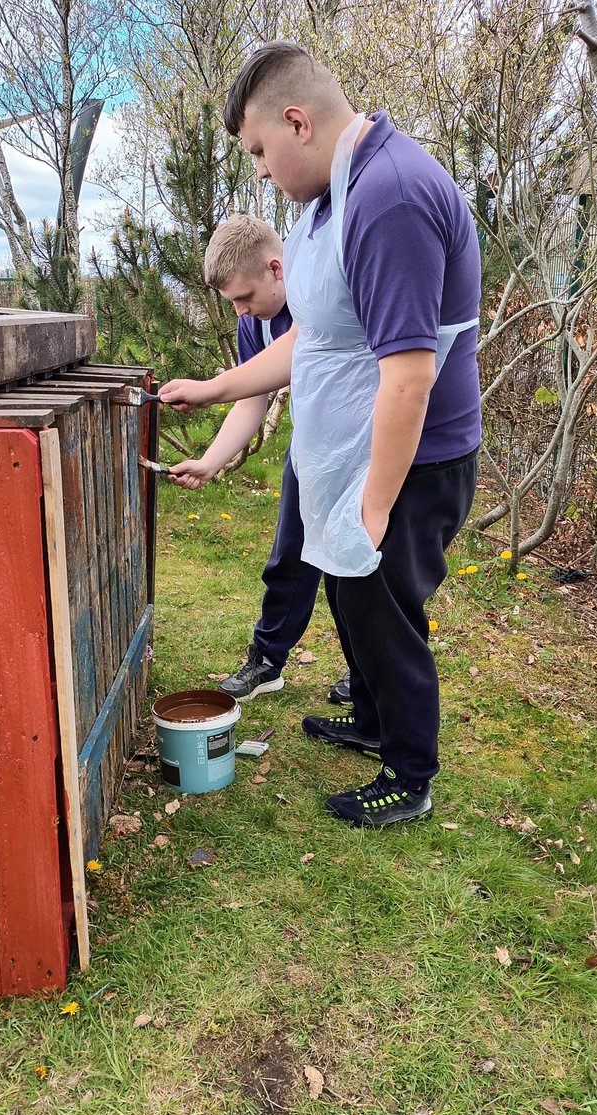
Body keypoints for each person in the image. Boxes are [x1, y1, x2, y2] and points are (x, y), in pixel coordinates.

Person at [161, 43, 481, 829]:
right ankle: (371, 722)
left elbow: (409, 375)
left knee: (382, 610)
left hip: (409, 461)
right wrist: (216, 389)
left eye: (261, 151)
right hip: (353, 458)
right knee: (349, 600)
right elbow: (315, 340)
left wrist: (371, 509)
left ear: (297, 122)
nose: (261, 171)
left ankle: (409, 773)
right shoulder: (333, 202)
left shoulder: (390, 197)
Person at [168, 214, 351, 706]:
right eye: (233, 304)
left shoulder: (321, 300)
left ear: (277, 268)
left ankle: (368, 671)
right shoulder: (255, 321)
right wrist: (210, 461)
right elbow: (253, 398)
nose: (242, 312)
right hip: (310, 446)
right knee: (289, 556)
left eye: (245, 298)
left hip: (362, 448)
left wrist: (209, 390)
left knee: (356, 571)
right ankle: (267, 660)